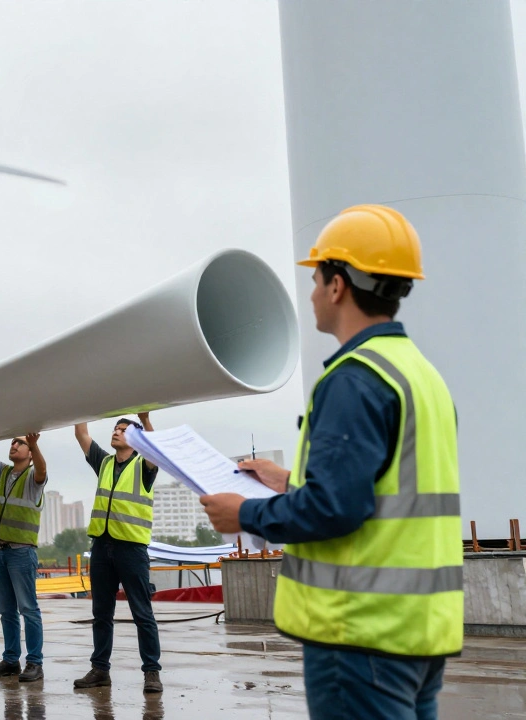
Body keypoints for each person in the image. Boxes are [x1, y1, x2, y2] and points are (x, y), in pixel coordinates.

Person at [200, 205, 461, 720]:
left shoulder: (352, 378)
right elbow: (386, 489)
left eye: (317, 278)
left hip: (359, 635)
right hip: (419, 632)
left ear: (338, 285)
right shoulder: (421, 375)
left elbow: (335, 509)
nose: (313, 292)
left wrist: (244, 515)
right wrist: (289, 481)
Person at [73, 412, 163, 694]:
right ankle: (100, 669)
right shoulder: (105, 462)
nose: (116, 431)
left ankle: (151, 672)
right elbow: (81, 433)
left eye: (123, 430)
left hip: (131, 549)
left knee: (142, 613)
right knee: (101, 613)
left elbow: (156, 450)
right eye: (115, 428)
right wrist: (83, 404)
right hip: (101, 546)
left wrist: (146, 419)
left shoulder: (144, 465)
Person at [0, 433, 48, 683]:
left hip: (21, 552)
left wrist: (35, 444)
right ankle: (10, 660)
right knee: (6, 610)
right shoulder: (5, 473)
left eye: (20, 443)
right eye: (12, 442)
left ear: (29, 452)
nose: (14, 444)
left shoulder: (34, 478)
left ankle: (34, 663)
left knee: (28, 608)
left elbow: (42, 468)